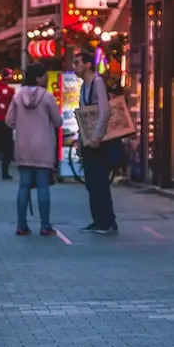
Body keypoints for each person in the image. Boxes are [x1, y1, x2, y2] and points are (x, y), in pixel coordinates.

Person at [7, 62, 60, 236]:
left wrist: (22, 125)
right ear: (38, 78)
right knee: (43, 186)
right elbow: (58, 122)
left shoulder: (17, 96)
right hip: (43, 147)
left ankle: (21, 225)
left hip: (23, 147)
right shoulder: (47, 97)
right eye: (44, 76)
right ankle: (45, 225)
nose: (45, 79)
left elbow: (9, 121)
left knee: (23, 186)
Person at [72, 50, 118, 234]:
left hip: (99, 141)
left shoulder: (97, 82)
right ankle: (100, 219)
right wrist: (81, 140)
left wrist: (97, 136)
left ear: (88, 64)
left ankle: (105, 221)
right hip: (89, 140)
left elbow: (104, 111)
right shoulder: (84, 85)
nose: (74, 66)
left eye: (77, 62)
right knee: (92, 182)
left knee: (99, 181)